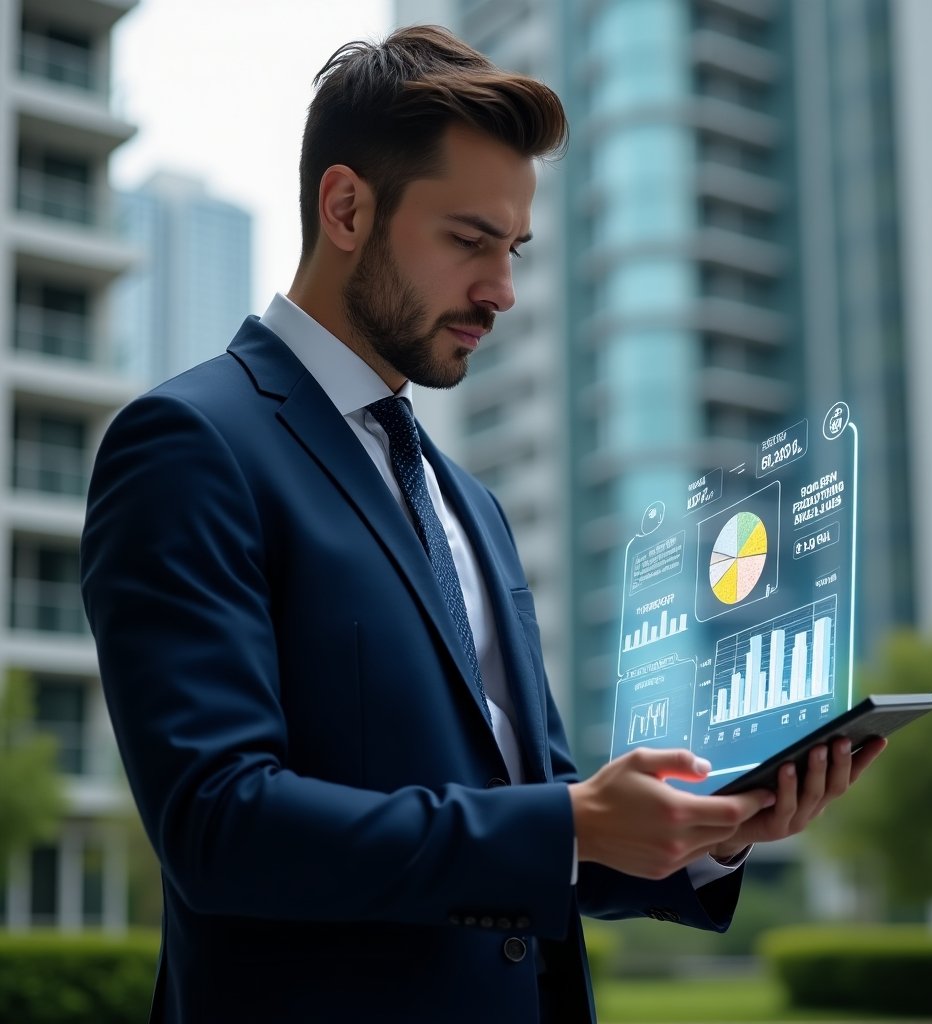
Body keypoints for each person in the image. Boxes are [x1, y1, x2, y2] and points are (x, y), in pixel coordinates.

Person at [80, 25, 884, 1024]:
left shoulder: (471, 502)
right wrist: (569, 820)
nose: (501, 290)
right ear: (345, 208)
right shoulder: (190, 444)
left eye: (512, 249)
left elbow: (533, 817)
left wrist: (711, 833)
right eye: (468, 240)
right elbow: (218, 825)